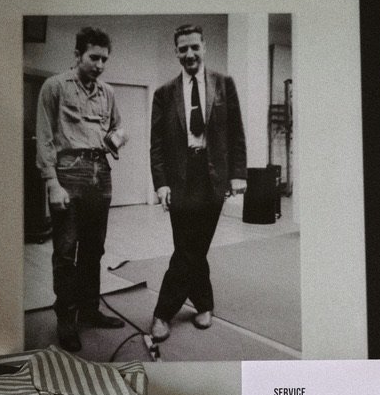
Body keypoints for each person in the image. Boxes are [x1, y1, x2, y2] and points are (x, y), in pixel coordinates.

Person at [149, 22, 247, 341]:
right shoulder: (164, 94)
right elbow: (157, 144)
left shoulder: (224, 84)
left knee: (194, 246)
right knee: (188, 247)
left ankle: (171, 311)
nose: (189, 53)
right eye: (183, 49)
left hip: (212, 176)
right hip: (180, 177)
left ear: (204, 47)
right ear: (175, 52)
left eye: (194, 47)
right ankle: (193, 307)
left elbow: (236, 133)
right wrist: (161, 183)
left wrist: (238, 173)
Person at [35, 25, 128, 353]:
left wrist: (118, 137)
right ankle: (66, 319)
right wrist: (52, 182)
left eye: (105, 59)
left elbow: (118, 126)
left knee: (94, 249)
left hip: (100, 175)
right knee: (65, 252)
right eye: (94, 57)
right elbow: (45, 138)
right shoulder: (54, 87)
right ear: (77, 55)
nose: (100, 65)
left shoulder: (108, 93)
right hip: (68, 175)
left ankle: (90, 310)